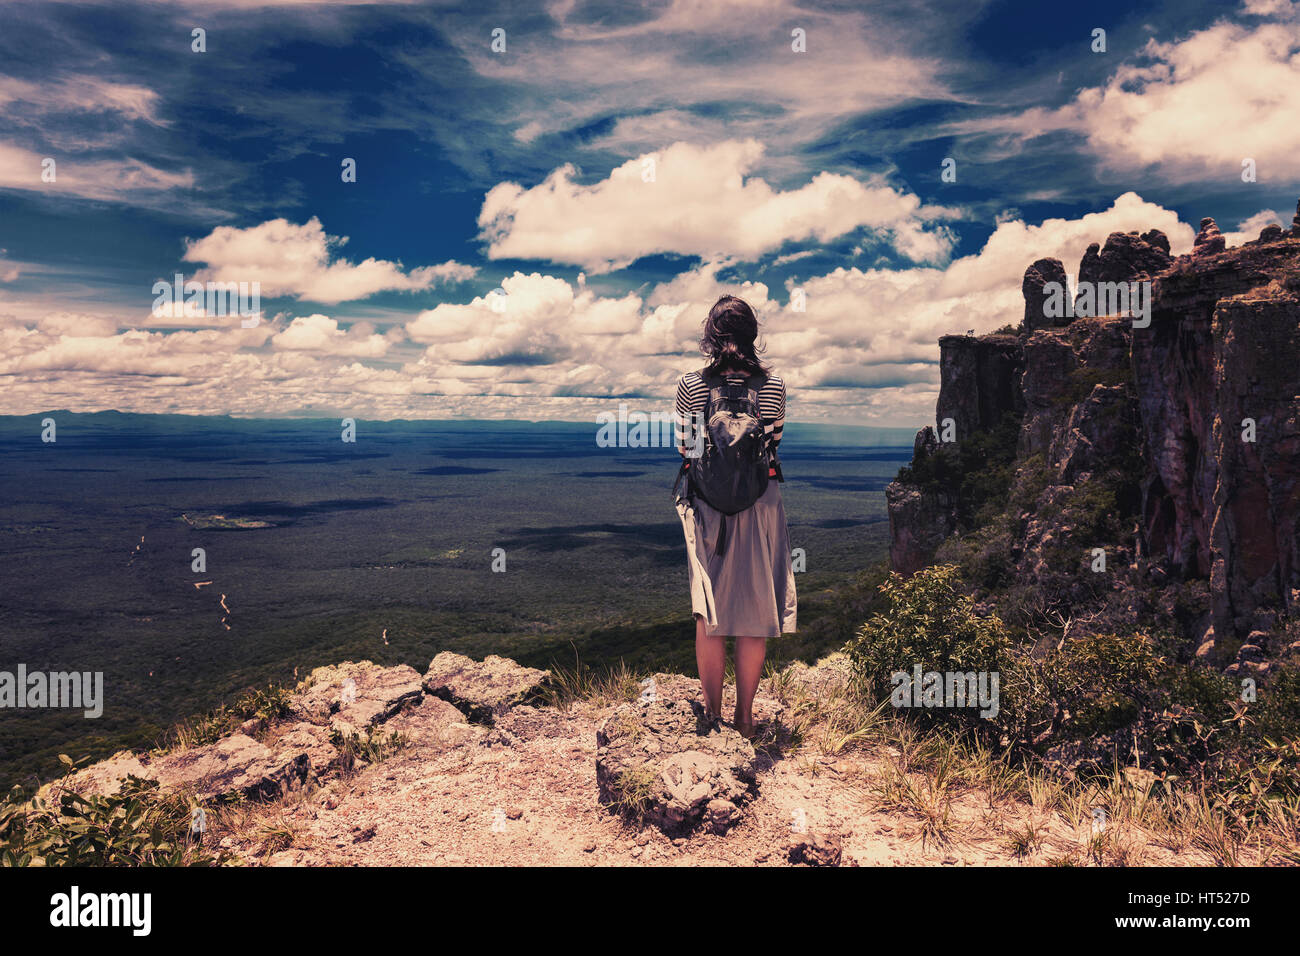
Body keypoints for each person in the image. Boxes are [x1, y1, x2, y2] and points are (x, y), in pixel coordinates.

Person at [673, 295, 797, 739]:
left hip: (706, 503)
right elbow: (773, 444)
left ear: (711, 335)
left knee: (709, 610)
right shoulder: (774, 386)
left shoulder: (691, 385)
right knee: (755, 608)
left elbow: (687, 448)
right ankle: (745, 719)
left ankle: (713, 716)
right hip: (760, 502)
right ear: (752, 334)